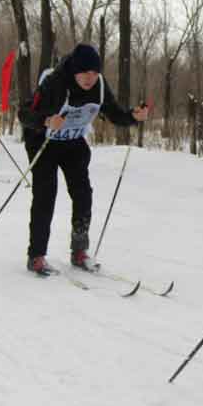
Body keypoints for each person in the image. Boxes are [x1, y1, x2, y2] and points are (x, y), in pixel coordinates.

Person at [18, 43, 149, 276]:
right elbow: (25, 113)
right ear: (75, 71)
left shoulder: (98, 86)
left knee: (83, 193)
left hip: (73, 141)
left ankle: (79, 251)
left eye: (94, 73)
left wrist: (132, 116)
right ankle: (36, 255)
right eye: (84, 73)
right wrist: (46, 121)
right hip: (43, 141)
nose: (89, 78)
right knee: (46, 194)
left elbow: (114, 113)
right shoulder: (55, 83)